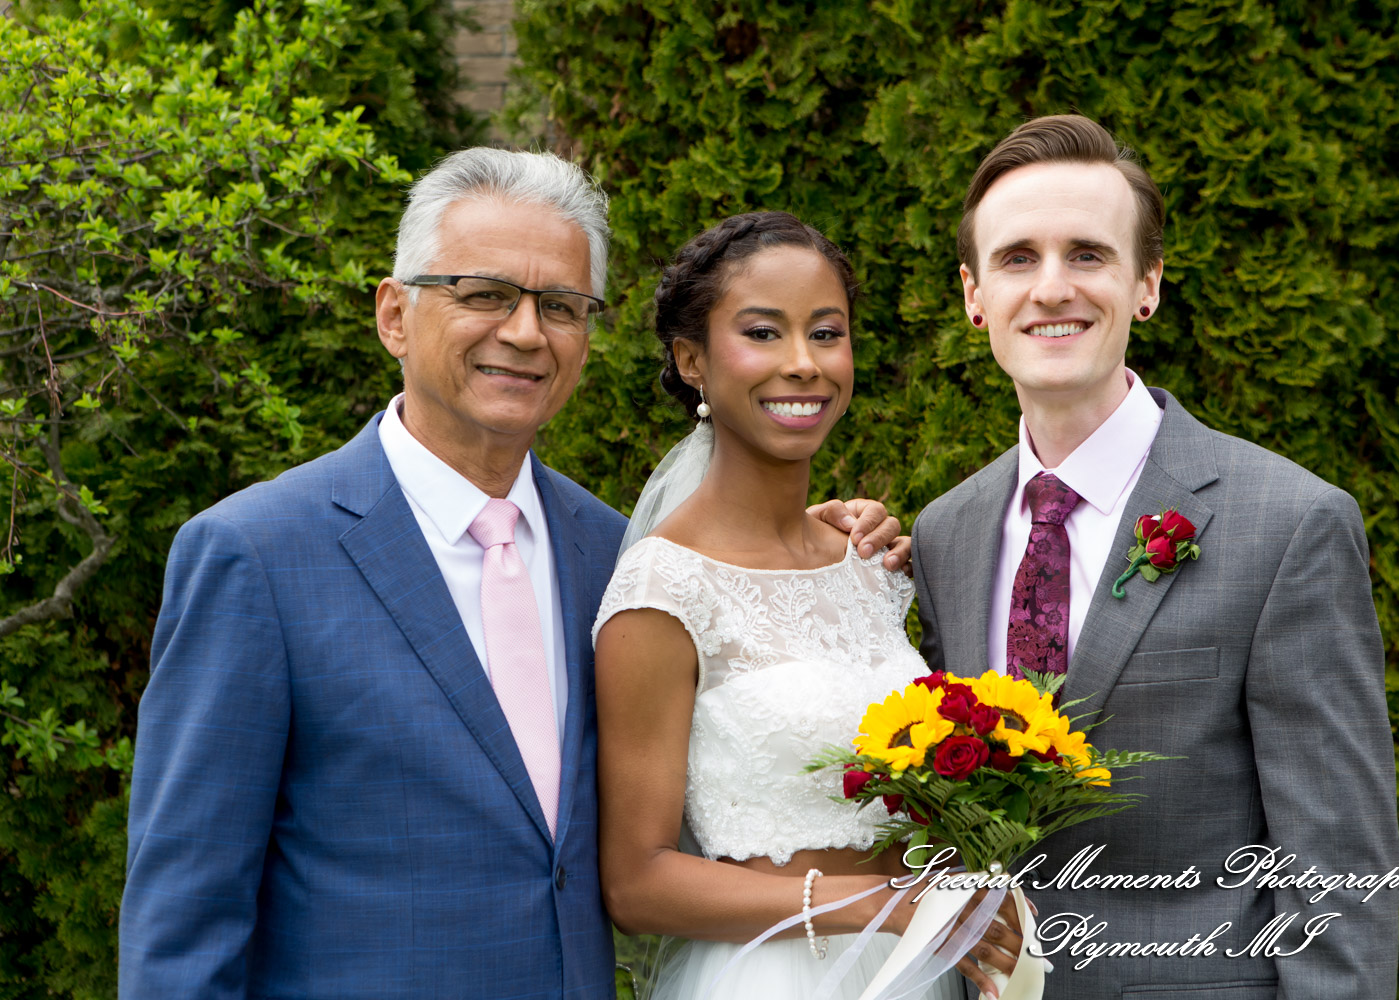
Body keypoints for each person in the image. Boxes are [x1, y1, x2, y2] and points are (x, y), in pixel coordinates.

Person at [118, 150, 904, 999]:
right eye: (485, 294)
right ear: (394, 315)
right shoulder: (256, 557)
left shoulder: (618, 556)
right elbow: (184, 921)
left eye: (560, 306)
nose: (527, 333)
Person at [911, 115, 1399, 1000]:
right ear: (975, 295)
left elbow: (1337, 867)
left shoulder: (1290, 523)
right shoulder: (946, 532)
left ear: (1147, 284)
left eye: (1088, 255)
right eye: (1017, 258)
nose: (1051, 288)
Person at [593, 211, 1021, 1000]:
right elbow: (637, 883)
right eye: (763, 333)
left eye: (827, 334)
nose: (803, 363)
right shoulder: (661, 592)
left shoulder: (869, 565)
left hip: (915, 970)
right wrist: (876, 904)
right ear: (691, 359)